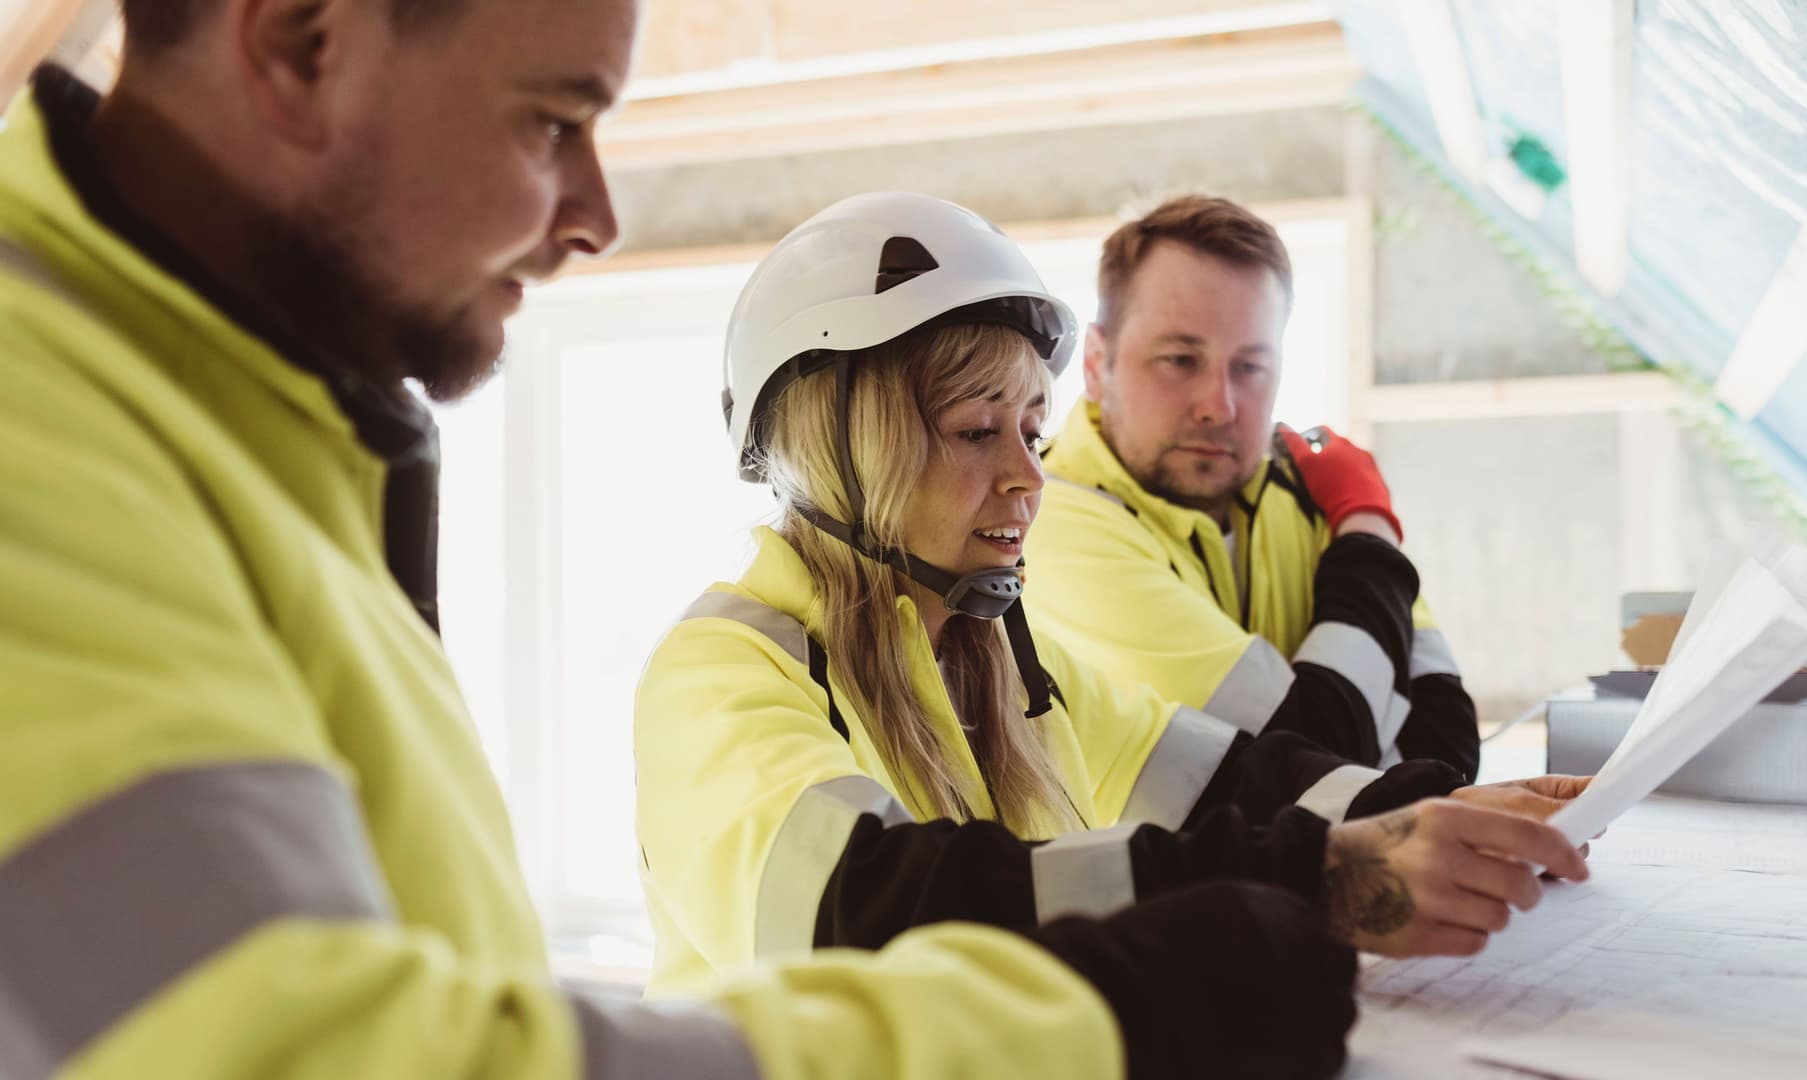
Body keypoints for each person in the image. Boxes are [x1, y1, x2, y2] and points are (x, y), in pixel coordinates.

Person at [0, 5, 1350, 1079]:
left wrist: (1361, 839)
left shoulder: (239, 436)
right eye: (553, 119)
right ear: (300, 40)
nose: (595, 213)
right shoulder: (38, 426)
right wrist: (1094, 1019)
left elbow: (1231, 779)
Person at [632, 193, 1591, 1051]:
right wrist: (1324, 877)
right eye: (977, 431)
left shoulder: (999, 668)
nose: (1029, 477)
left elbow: (1229, 782)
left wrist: (1423, 814)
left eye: (1033, 434)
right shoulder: (720, 675)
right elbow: (868, 907)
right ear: (833, 452)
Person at [1022, 194, 1485, 777]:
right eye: (1180, 359)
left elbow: (1445, 749)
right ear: (1096, 362)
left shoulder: (1305, 487)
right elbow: (1320, 755)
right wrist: (1367, 526)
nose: (1220, 405)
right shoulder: (1049, 523)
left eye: (1251, 367)